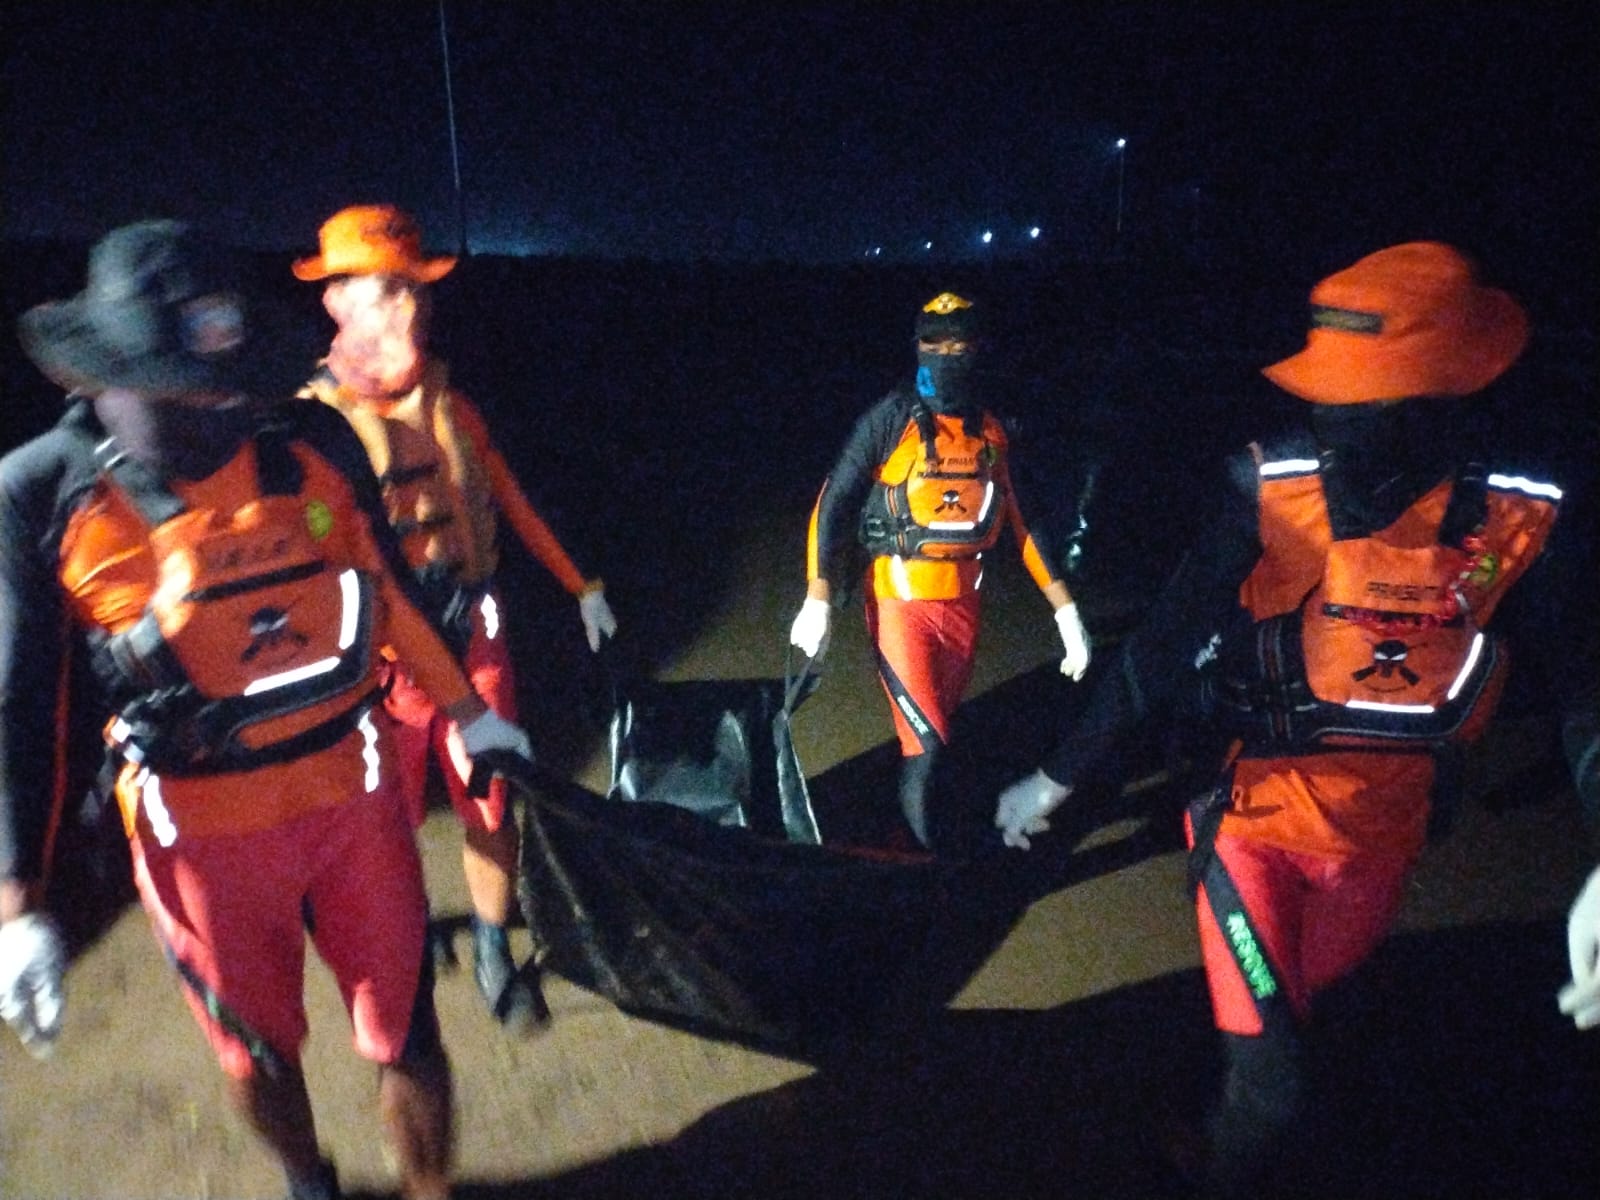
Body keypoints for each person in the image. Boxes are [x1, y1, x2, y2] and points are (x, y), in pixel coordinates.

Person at [992, 242, 1600, 1195]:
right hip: (1251, 823)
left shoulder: (1526, 516)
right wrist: (1058, 776)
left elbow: (1588, 687)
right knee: (1279, 1093)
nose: (1330, 413)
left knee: (1288, 1025)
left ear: (1442, 393)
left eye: (1361, 392)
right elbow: (1158, 649)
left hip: (1386, 839)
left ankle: (1197, 1108)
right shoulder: (1269, 489)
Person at [0, 219, 536, 1200]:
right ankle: (307, 1180)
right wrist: (18, 902)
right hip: (198, 840)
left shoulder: (313, 440)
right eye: (186, 388)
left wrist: (470, 713)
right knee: (254, 1052)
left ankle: (428, 1189)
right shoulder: (44, 494)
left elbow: (386, 592)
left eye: (232, 382)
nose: (220, 408)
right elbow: (20, 700)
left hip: (356, 796)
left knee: (407, 1028)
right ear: (104, 377)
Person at [292, 205, 617, 1032]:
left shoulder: (455, 407)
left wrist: (582, 585)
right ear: (339, 300)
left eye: (415, 289)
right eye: (388, 289)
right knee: (385, 815)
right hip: (378, 662)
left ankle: (491, 946)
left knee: (492, 799)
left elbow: (506, 496)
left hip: (477, 634)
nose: (410, 306)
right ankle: (405, 932)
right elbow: (307, 550)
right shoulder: (310, 431)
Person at [789, 291, 1090, 849]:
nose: (948, 353)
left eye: (961, 343)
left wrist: (1065, 611)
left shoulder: (992, 433)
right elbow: (832, 506)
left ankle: (896, 835)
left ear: (979, 349)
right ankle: (929, 864)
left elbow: (1024, 525)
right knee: (927, 747)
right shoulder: (889, 421)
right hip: (900, 607)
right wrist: (818, 596)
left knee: (934, 739)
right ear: (917, 347)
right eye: (935, 342)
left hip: (964, 611)